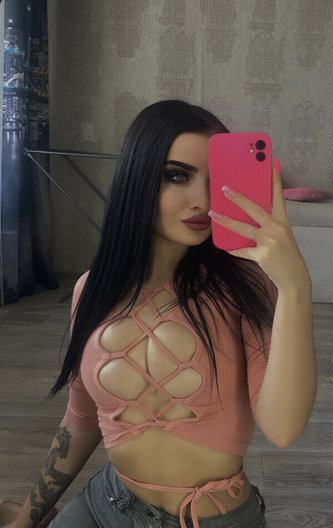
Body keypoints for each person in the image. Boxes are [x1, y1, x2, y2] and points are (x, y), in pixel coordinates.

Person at [0, 99, 316, 528]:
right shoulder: (90, 289)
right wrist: (27, 519)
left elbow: (283, 428)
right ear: (139, 177)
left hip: (210, 518)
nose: (202, 199)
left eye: (215, 179)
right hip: (106, 505)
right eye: (177, 176)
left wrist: (295, 286)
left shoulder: (244, 287)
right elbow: (81, 418)